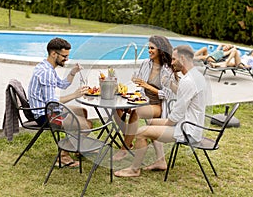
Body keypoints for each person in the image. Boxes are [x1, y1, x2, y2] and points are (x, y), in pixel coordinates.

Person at [114, 45, 207, 177]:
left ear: (182, 58)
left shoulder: (188, 81)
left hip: (187, 130)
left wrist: (163, 124)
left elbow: (175, 117)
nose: (172, 62)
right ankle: (160, 161)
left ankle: (134, 170)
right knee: (151, 122)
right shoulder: (196, 76)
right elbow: (183, 98)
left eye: (174, 59)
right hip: (192, 124)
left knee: (141, 132)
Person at [28, 37, 92, 168]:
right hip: (45, 115)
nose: (66, 59)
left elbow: (62, 85)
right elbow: (51, 103)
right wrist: (75, 94)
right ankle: (63, 155)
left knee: (83, 112)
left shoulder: (47, 67)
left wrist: (73, 72)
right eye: (64, 56)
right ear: (53, 54)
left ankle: (77, 147)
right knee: (85, 126)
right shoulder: (46, 73)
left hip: (46, 109)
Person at [112, 35, 178, 161]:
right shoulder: (145, 64)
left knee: (136, 112)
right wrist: (134, 94)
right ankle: (128, 138)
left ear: (160, 49)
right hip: (144, 101)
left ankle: (124, 149)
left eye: (152, 48)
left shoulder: (168, 69)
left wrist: (148, 86)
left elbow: (170, 95)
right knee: (117, 109)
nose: (149, 51)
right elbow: (141, 87)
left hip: (159, 105)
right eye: (148, 48)